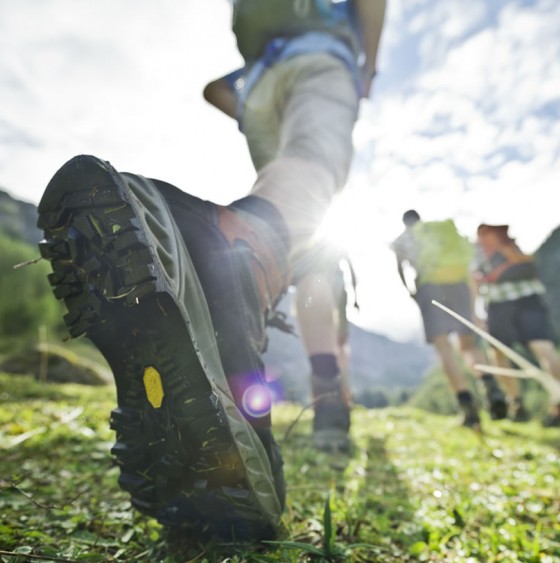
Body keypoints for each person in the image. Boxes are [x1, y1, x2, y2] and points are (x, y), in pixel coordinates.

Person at [37, 0, 387, 541]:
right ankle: (237, 258)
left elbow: (212, 91)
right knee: (311, 174)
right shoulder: (329, 46)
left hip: (260, 86)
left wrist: (251, 106)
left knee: (300, 229)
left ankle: (239, 271)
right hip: (324, 60)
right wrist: (364, 67)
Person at [391, 210, 508, 429]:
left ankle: (468, 408)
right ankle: (489, 385)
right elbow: (470, 258)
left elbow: (400, 267)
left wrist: (411, 291)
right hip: (460, 286)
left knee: (444, 348)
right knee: (468, 346)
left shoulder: (406, 237)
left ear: (405, 222)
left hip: (431, 287)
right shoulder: (442, 232)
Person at [473, 224, 560, 426]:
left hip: (499, 304)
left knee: (498, 352)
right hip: (530, 299)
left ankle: (517, 403)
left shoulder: (480, 250)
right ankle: (559, 400)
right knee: (543, 348)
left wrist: (475, 312)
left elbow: (475, 279)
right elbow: (531, 263)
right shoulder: (510, 243)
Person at [293, 242, 359, 452]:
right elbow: (349, 266)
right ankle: (335, 396)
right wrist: (355, 294)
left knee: (312, 279)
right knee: (339, 341)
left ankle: (330, 399)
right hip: (338, 283)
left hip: (319, 275)